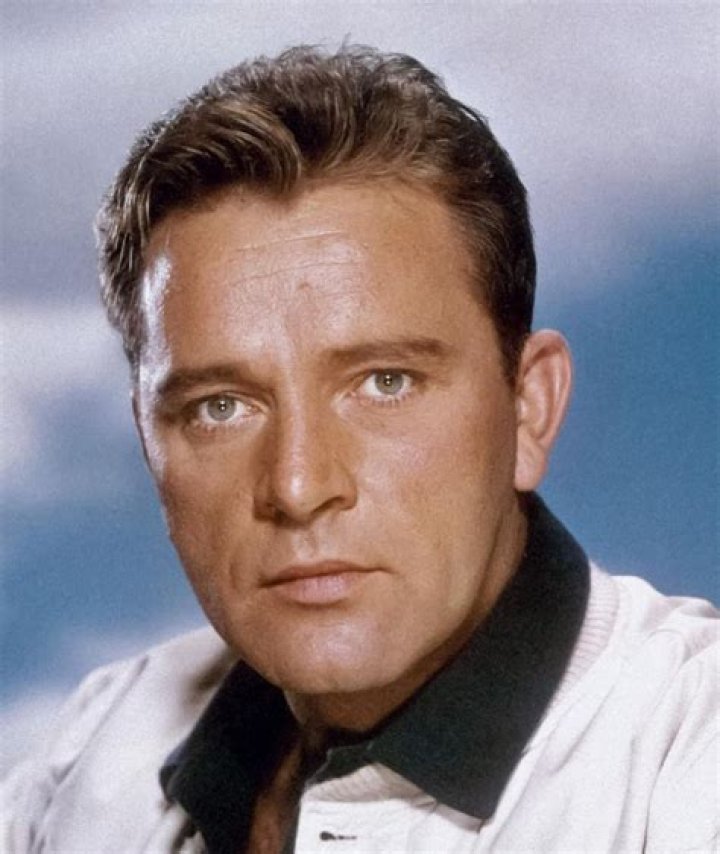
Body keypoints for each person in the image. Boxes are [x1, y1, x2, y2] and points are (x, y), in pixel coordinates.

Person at [2, 45, 717, 854]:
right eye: (220, 406)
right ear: (146, 437)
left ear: (529, 408)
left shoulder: (690, 761)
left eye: (385, 383)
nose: (298, 485)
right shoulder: (94, 753)